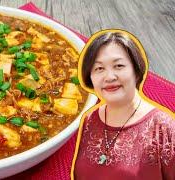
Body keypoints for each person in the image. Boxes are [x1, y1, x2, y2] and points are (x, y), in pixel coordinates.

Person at [71, 29, 175, 180]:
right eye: (99, 68)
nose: (109, 77)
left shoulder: (164, 128)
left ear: (136, 70)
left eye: (118, 66)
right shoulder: (90, 119)